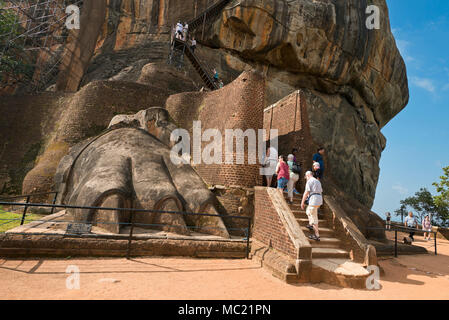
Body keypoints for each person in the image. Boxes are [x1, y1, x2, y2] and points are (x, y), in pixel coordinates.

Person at [301, 171, 323, 241]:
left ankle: (317, 235)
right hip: (319, 199)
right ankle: (310, 224)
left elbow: (306, 192)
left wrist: (302, 202)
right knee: (309, 211)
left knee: (313, 217)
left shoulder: (309, 181)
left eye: (305, 177)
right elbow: (321, 190)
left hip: (313, 200)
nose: (306, 178)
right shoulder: (317, 181)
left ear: (307, 175)